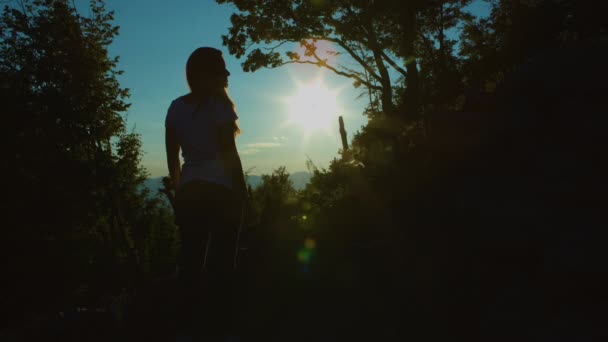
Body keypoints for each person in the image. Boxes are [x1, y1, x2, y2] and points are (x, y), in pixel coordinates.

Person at [165, 47, 249, 341]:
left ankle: (186, 328)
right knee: (223, 264)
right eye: (221, 69)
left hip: (189, 191)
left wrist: (178, 193)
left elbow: (173, 160)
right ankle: (222, 328)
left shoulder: (175, 107)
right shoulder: (220, 106)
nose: (227, 74)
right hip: (220, 190)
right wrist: (242, 193)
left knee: (190, 262)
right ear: (206, 74)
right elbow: (229, 154)